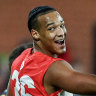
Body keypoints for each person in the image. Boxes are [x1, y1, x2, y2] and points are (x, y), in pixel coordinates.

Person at [7, 6, 96, 96]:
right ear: (35, 34)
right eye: (51, 28)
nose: (61, 32)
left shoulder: (20, 59)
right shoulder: (52, 68)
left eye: (62, 25)